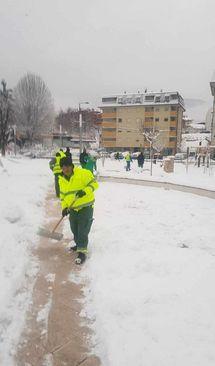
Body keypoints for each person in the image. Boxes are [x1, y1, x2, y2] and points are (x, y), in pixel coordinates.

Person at [59, 157, 99, 264]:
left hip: (85, 207)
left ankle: (82, 251)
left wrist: (85, 191)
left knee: (83, 229)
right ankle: (78, 244)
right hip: (72, 208)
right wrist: (64, 207)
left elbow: (94, 184)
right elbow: (63, 196)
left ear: (71, 166)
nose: (65, 169)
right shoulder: (61, 179)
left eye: (67, 166)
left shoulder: (83, 173)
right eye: (63, 167)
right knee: (74, 228)